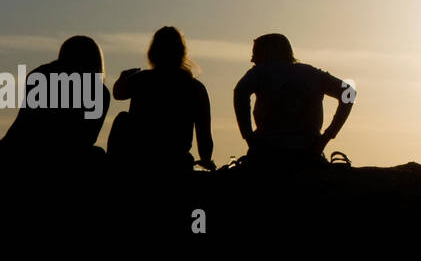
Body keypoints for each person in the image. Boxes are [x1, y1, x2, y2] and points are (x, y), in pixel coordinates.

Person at [233, 33, 354, 167]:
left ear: (268, 53)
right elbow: (349, 92)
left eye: (256, 53)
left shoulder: (259, 72)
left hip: (267, 151)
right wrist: (327, 136)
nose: (252, 59)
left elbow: (240, 92)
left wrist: (248, 136)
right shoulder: (312, 74)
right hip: (309, 151)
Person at [109, 26, 214, 173]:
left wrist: (122, 77)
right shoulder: (196, 88)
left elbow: (118, 94)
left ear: (153, 52)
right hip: (178, 162)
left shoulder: (142, 79)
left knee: (122, 119)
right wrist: (206, 160)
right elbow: (204, 135)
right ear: (181, 52)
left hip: (142, 161)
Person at [0, 35, 109, 168]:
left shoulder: (42, 74)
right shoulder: (99, 92)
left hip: (13, 151)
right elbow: (87, 138)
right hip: (59, 158)